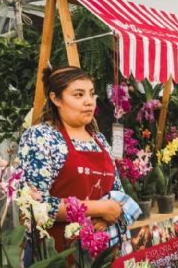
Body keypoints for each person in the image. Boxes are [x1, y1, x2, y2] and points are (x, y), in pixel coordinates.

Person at [17, 66, 127, 251]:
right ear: (55, 98)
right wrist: (99, 209)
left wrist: (107, 215)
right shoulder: (41, 138)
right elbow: (34, 205)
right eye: (78, 95)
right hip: (55, 257)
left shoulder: (98, 139)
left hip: (100, 254)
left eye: (91, 94)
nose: (89, 102)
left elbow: (118, 194)